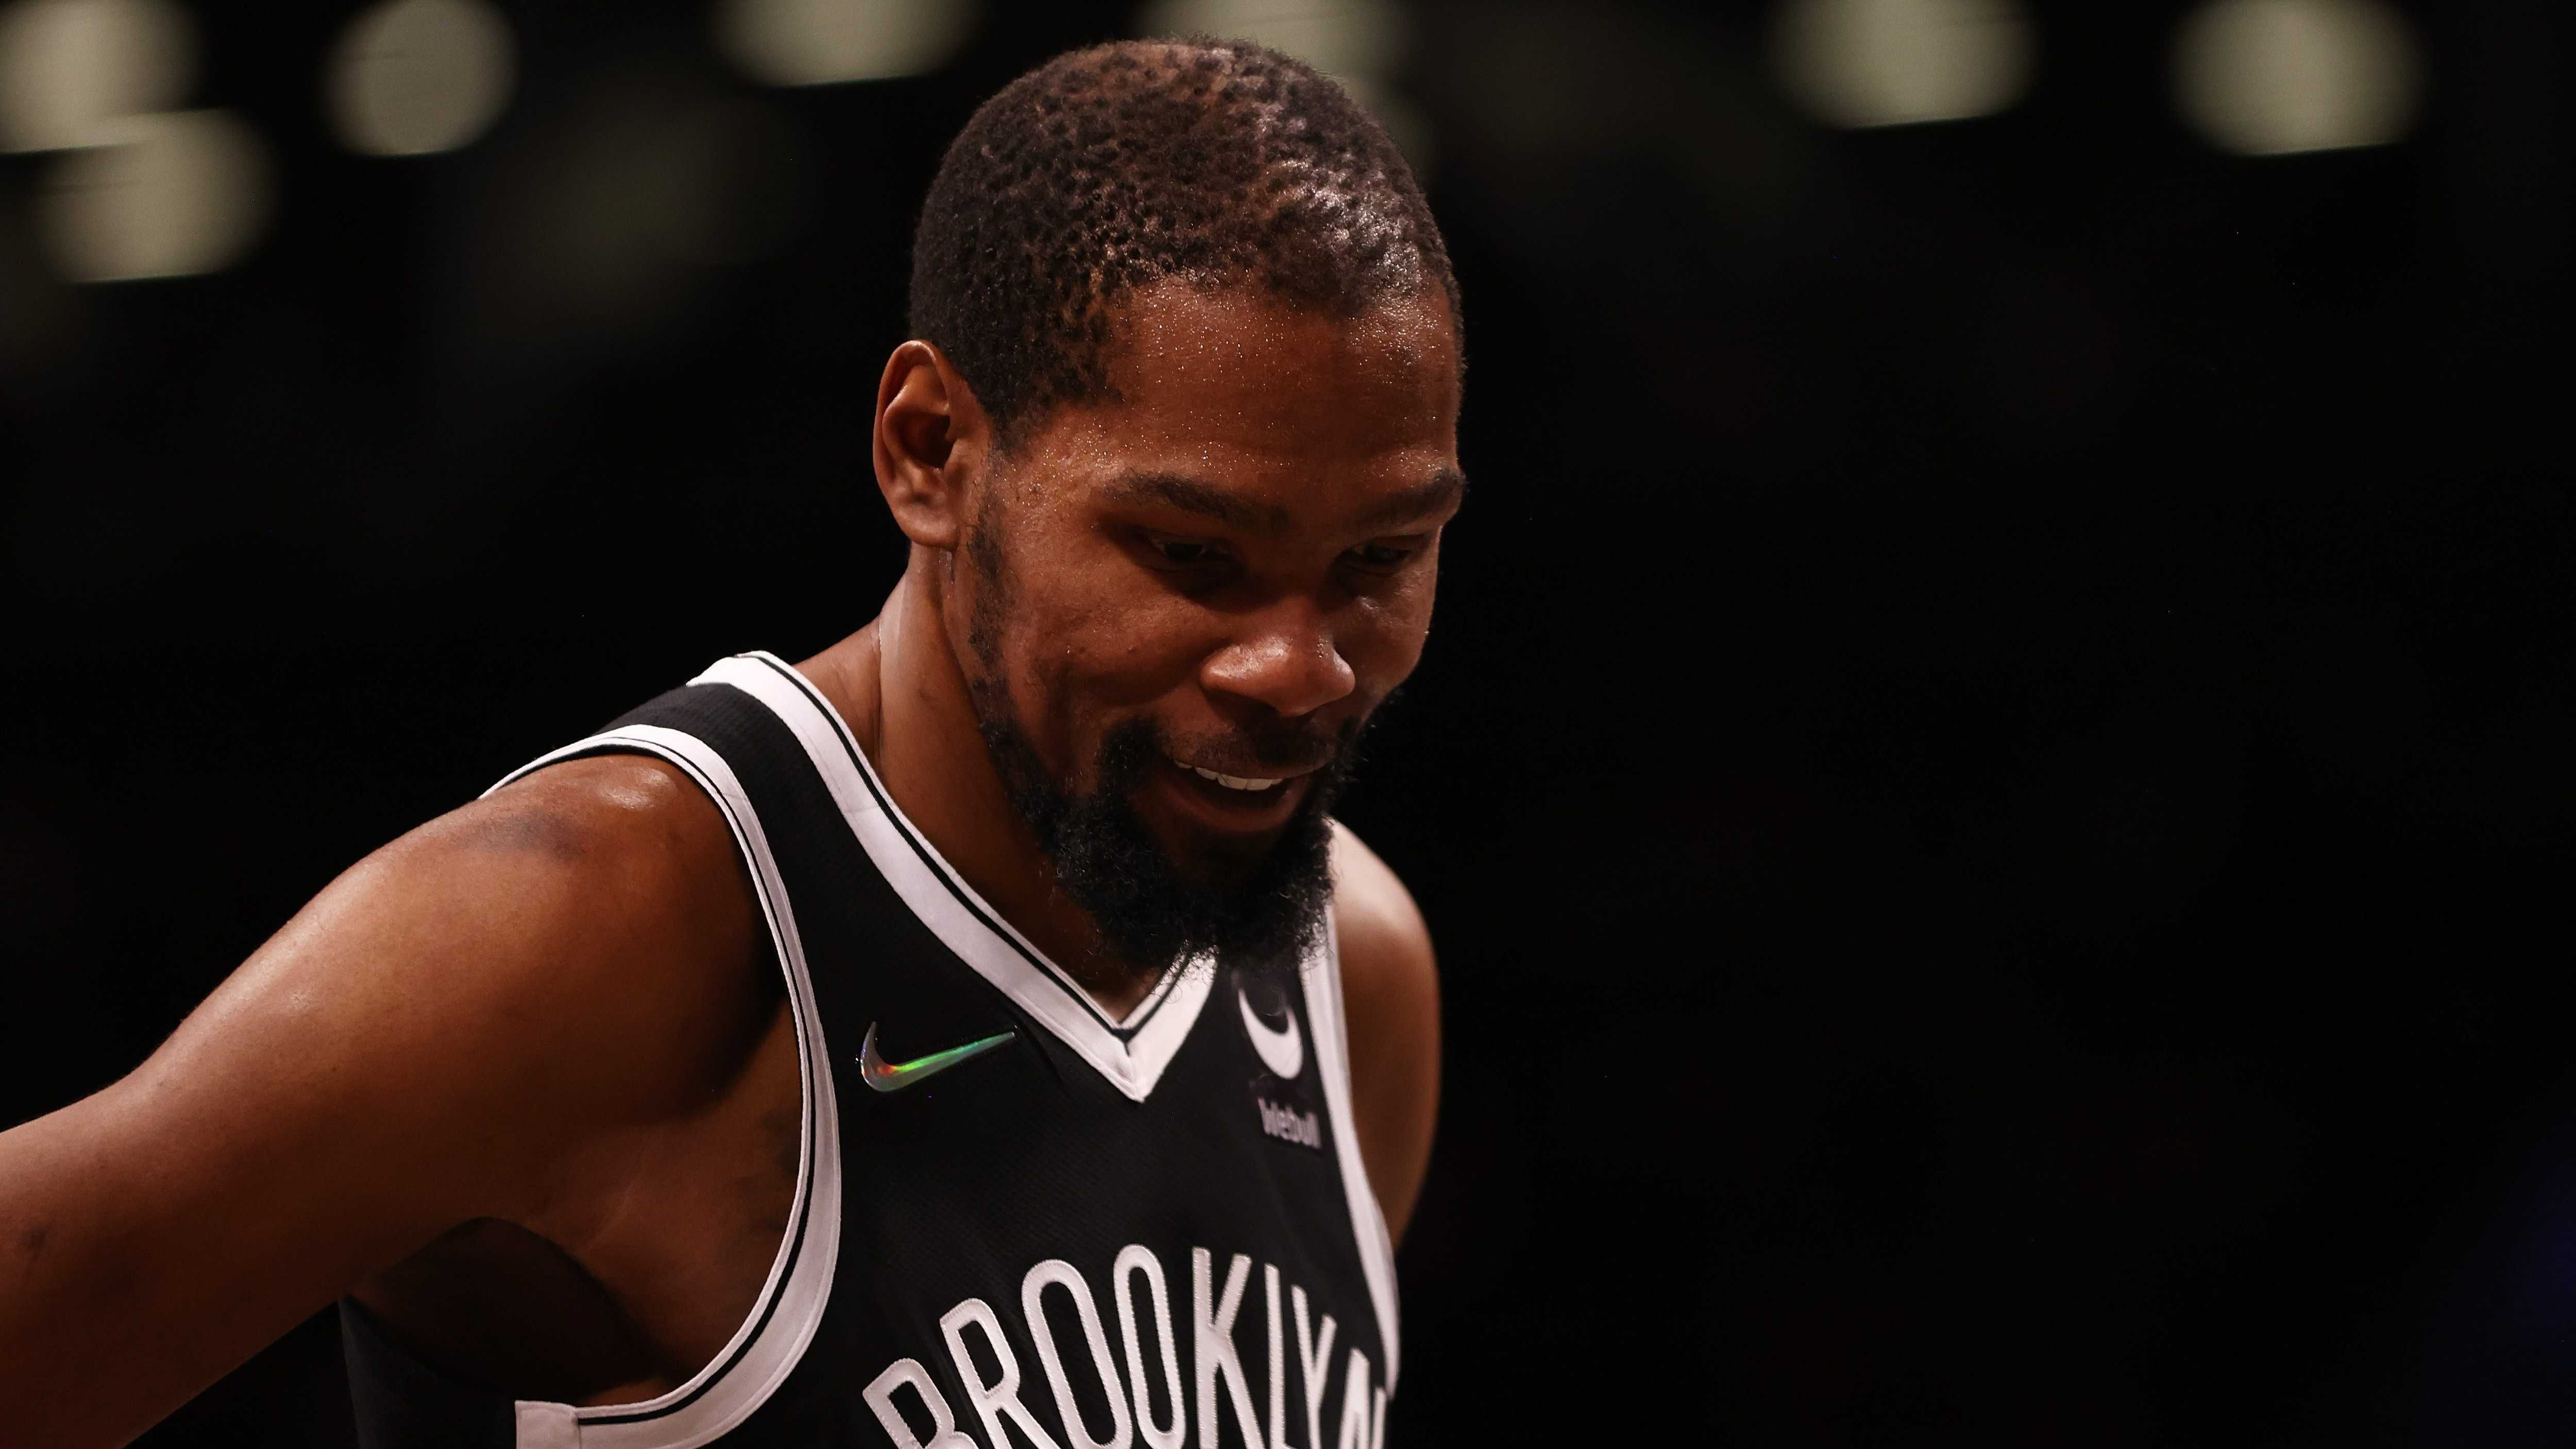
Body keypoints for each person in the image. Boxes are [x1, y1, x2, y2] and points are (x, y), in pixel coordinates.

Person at [0, 36, 1458, 1449]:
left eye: (1382, 557)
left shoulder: (1356, 977)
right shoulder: (584, 932)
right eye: (1192, 555)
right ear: (932, 452)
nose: (1301, 669)